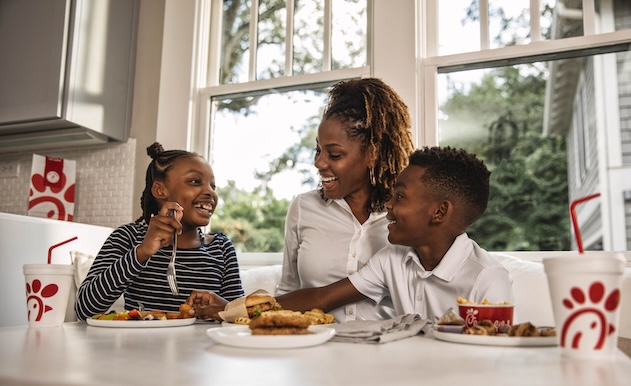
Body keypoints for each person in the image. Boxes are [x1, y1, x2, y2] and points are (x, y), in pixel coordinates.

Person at [186, 146, 513, 322]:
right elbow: (318, 298)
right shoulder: (394, 259)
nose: (389, 204)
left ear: (438, 212)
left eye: (400, 196)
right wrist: (233, 309)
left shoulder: (487, 279)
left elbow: (489, 360)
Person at [276, 77, 414, 322]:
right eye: (318, 150)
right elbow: (288, 291)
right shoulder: (304, 208)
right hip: (315, 347)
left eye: (335, 154)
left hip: (386, 351)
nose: (318, 163)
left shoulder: (406, 215)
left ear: (372, 153)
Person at [75, 142, 243, 321]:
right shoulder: (128, 237)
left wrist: (224, 308)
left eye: (213, 186)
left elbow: (241, 318)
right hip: (141, 347)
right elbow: (84, 310)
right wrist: (142, 252)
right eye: (195, 181)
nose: (210, 192)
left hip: (202, 348)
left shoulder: (221, 248)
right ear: (160, 190)